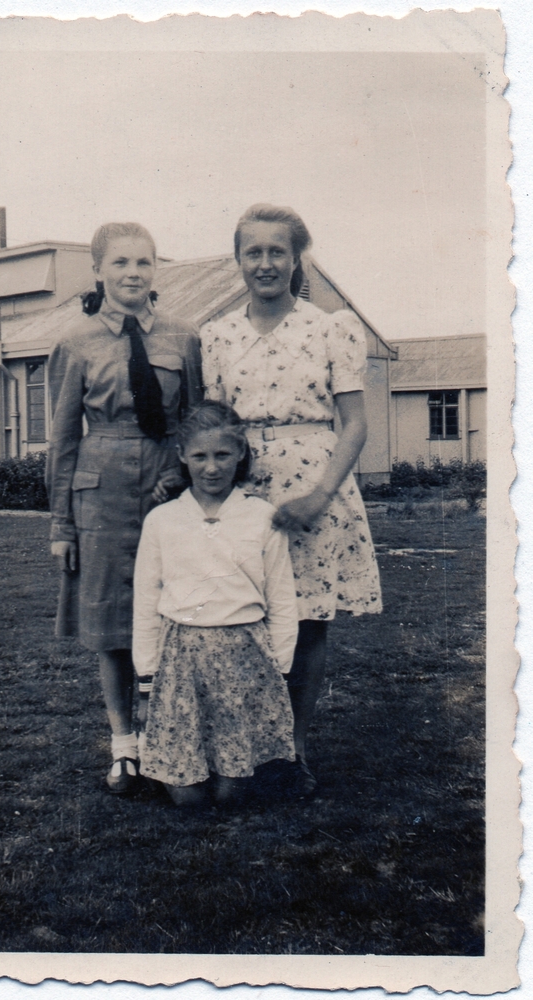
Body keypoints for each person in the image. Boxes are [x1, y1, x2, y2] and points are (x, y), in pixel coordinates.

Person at [200, 203, 382, 795]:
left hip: (314, 488)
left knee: (305, 622)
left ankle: (293, 750)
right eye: (253, 252)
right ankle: (241, 744)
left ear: (297, 258)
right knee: (240, 617)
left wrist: (320, 495)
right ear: (238, 260)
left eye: (277, 251)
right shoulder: (217, 335)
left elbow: (354, 424)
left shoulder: (331, 327)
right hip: (243, 489)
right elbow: (214, 423)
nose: (265, 263)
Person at [46, 221, 203, 795]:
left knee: (174, 613)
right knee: (111, 622)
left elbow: (194, 420)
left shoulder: (184, 337)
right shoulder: (75, 342)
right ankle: (124, 749)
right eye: (120, 263)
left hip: (166, 485)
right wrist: (62, 524)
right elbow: (62, 440)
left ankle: (168, 738)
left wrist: (179, 474)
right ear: (98, 272)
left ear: (156, 270)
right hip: (100, 490)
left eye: (144, 262)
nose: (133, 273)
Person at [133, 400, 298, 808]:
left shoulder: (261, 516)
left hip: (245, 658)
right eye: (200, 456)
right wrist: (146, 677)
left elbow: (281, 598)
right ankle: (173, 765)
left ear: (240, 453)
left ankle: (229, 770)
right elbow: (146, 602)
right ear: (182, 456)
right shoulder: (162, 520)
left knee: (229, 795)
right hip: (181, 659)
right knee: (188, 800)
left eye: (223, 455)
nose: (211, 468)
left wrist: (280, 668)